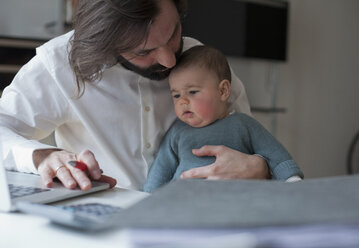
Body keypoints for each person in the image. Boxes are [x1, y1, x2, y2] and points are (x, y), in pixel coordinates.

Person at [0, 0, 270, 191]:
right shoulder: (60, 65)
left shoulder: (207, 65)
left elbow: (253, 142)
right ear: (106, 43)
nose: (168, 60)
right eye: (144, 52)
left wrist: (260, 168)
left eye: (174, 33)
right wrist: (42, 156)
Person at [144, 46, 303, 192]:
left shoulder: (242, 124)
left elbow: (276, 155)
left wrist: (292, 181)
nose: (182, 101)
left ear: (223, 91)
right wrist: (147, 200)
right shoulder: (177, 132)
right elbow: (161, 171)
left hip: (234, 201)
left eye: (192, 92)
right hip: (185, 202)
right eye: (176, 95)